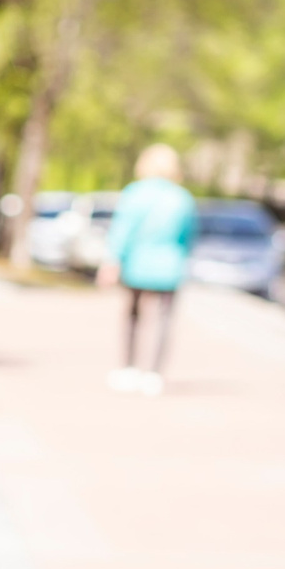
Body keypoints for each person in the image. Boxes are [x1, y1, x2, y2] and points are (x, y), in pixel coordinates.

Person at [98, 143, 198, 395]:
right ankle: (154, 374)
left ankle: (129, 368)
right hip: (170, 265)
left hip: (138, 263)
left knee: (133, 316)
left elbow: (123, 231)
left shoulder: (136, 193)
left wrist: (112, 260)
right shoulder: (182, 198)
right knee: (164, 321)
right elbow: (188, 237)